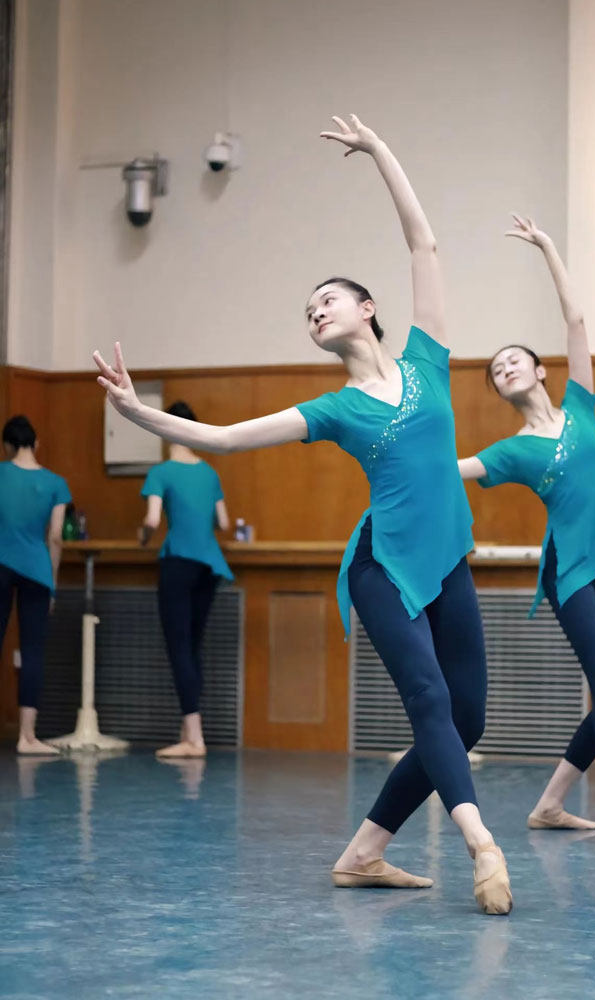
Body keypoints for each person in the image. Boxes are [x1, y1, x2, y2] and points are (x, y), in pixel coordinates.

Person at [94, 115, 512, 915]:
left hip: (447, 561)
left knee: (470, 718)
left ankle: (363, 853)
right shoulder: (334, 409)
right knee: (429, 702)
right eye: (308, 309)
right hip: (382, 568)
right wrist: (138, 412)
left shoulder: (427, 359)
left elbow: (424, 244)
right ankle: (481, 844)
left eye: (328, 299)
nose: (316, 311)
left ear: (368, 307)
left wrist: (380, 151)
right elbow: (224, 438)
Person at [459, 215, 595, 846]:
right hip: (569, 572)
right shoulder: (511, 451)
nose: (505, 368)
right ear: (501, 390)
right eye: (496, 369)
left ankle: (549, 805)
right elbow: (452, 469)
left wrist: (547, 248)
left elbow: (577, 321)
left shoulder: (581, 406)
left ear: (540, 371)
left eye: (515, 360)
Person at [139, 401, 233, 758]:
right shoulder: (209, 473)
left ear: (166, 430)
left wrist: (143, 538)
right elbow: (224, 522)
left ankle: (194, 739)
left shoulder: (161, 472)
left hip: (178, 561)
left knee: (179, 647)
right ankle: (191, 732)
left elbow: (151, 521)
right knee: (192, 647)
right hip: (209, 565)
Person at [0, 415, 71, 754]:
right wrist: (52, 582)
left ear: (7, 445)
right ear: (36, 443)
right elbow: (55, 537)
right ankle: (27, 737)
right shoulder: (56, 483)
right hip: (37, 570)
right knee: (32, 652)